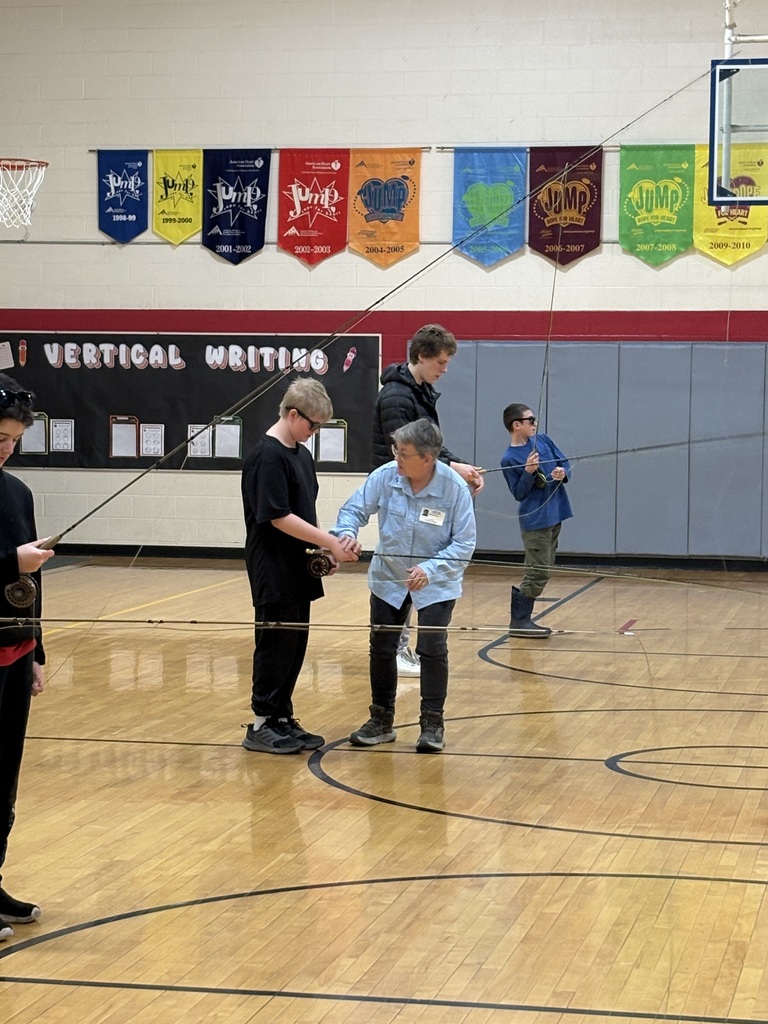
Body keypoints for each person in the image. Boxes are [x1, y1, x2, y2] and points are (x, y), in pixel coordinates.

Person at [332, 418, 476, 753]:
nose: (397, 458)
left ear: (427, 459)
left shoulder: (454, 489)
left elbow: (464, 543)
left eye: (405, 453)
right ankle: (381, 719)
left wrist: (431, 568)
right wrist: (347, 534)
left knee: (432, 649)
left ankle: (432, 723)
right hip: (389, 577)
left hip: (437, 581)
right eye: (396, 450)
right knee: (382, 646)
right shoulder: (385, 476)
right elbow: (353, 510)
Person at [241, 379, 360, 755]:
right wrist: (330, 542)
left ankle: (281, 716)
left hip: (297, 566)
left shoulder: (300, 454)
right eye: (313, 425)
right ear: (293, 415)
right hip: (272, 567)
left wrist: (320, 555)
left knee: (294, 645)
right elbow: (277, 517)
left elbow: (303, 514)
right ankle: (261, 722)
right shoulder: (267, 457)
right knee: (274, 643)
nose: (315, 432)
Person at [370, 323, 483, 678]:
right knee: (403, 568)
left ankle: (405, 644)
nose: (445, 370)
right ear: (422, 356)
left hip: (420, 487)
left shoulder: (420, 391)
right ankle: (398, 647)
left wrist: (458, 467)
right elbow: (408, 449)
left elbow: (430, 444)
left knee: (421, 567)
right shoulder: (396, 397)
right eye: (442, 362)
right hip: (399, 492)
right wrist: (453, 469)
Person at [0, 374, 56, 942]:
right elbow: (13, 563)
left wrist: (36, 649)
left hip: (14, 655)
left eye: (13, 439)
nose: (6, 448)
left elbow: (31, 582)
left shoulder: (18, 492)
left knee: (4, 777)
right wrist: (10, 560)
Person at [500, 403, 572, 637]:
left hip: (555, 512)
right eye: (530, 420)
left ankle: (521, 620)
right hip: (536, 520)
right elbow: (519, 493)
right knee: (537, 571)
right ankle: (519, 621)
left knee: (546, 567)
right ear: (516, 425)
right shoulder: (509, 458)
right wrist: (528, 472)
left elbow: (565, 463)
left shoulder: (544, 441)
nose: (535, 423)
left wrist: (563, 473)